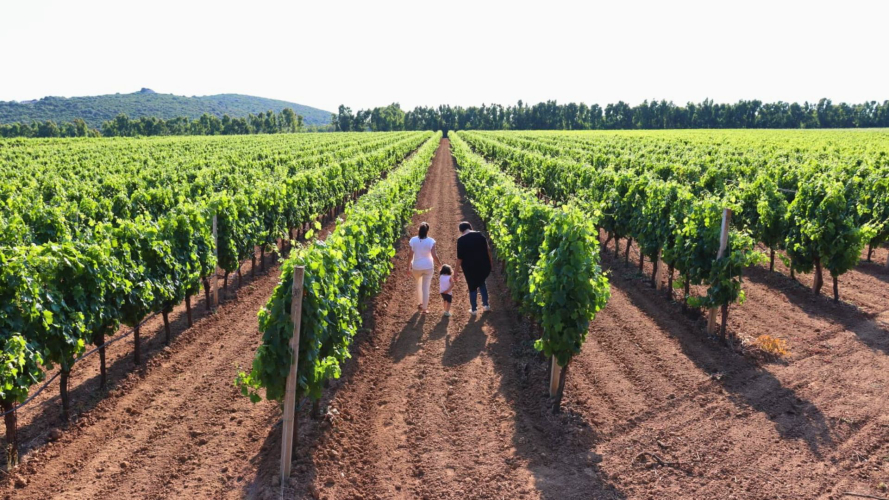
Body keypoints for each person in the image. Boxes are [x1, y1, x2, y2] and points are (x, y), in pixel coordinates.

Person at [455, 221, 492, 315]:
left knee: (472, 286)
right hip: (482, 264)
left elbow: (460, 258)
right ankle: (486, 305)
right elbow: (488, 250)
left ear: (461, 230)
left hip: (469, 267)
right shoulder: (480, 236)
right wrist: (490, 263)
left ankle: (474, 309)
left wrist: (455, 272)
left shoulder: (461, 240)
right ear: (470, 227)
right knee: (482, 282)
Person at [407, 222, 441, 314]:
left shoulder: (413, 240)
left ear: (419, 230)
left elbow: (410, 255)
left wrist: (408, 267)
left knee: (418, 284)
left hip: (416, 266)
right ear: (427, 231)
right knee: (425, 287)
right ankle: (425, 308)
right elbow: (434, 255)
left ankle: (420, 303)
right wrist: (439, 265)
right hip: (428, 267)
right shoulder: (431, 241)